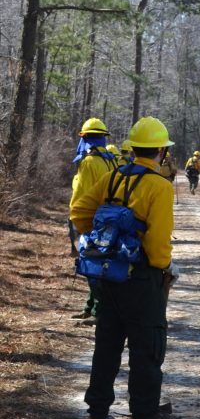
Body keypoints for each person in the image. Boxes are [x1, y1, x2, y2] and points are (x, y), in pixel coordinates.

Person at [69, 116, 182, 419]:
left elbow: (79, 211)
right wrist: (161, 270)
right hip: (142, 278)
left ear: (133, 148)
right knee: (147, 346)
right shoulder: (159, 186)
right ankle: (145, 414)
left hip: (109, 275)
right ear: (161, 150)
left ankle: (97, 409)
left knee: (107, 343)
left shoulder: (113, 177)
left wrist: (101, 243)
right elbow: (159, 241)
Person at [69, 118, 118, 324]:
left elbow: (81, 196)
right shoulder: (111, 159)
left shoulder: (89, 162)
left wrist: (76, 222)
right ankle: (90, 307)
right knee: (99, 264)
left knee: (92, 266)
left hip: (91, 220)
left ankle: (100, 312)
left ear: (85, 138)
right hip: (110, 218)